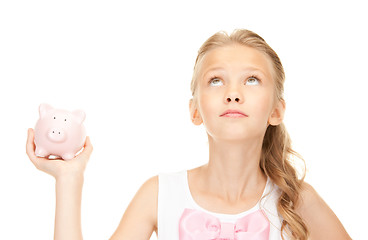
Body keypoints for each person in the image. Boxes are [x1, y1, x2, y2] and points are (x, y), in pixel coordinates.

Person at [26, 29, 351, 240]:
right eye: (216, 80)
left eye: (251, 79)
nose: (234, 93)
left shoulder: (297, 199)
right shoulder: (158, 194)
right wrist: (69, 179)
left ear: (276, 111)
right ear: (195, 110)